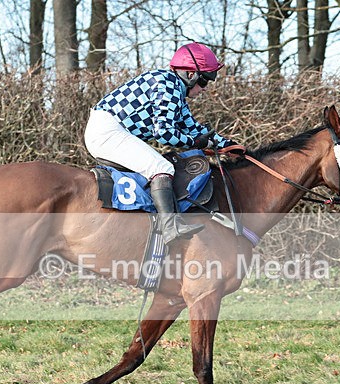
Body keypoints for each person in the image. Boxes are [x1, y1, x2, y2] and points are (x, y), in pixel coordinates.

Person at [84, 42, 242, 245]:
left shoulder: (174, 89)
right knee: (161, 167)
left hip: (110, 129)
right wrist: (195, 142)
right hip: (107, 132)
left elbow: (193, 128)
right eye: (205, 81)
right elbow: (164, 133)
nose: (205, 88)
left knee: (160, 165)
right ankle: (170, 228)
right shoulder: (166, 84)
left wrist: (227, 144)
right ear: (190, 74)